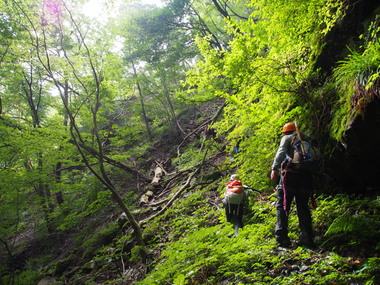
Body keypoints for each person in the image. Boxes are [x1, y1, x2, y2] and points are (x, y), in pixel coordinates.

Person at [270, 122, 315, 248]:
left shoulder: (287, 138)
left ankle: (282, 238)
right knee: (303, 207)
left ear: (286, 132)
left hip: (289, 177)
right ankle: (307, 240)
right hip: (306, 177)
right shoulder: (307, 139)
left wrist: (274, 169)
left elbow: (281, 152)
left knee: (282, 206)